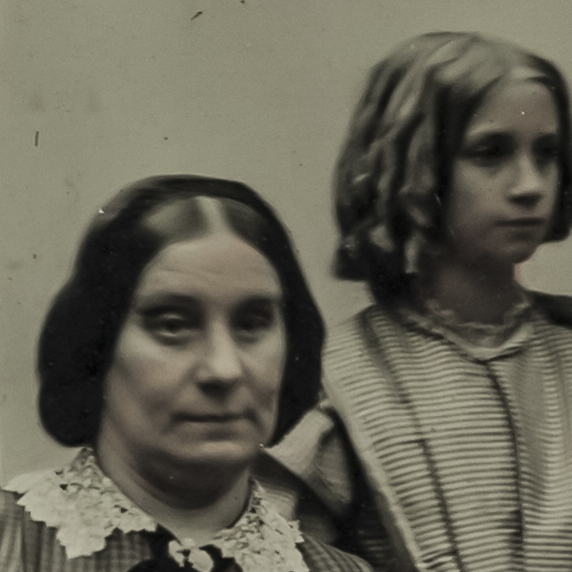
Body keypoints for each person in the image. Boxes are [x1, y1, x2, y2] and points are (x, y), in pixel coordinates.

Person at [261, 32, 572, 572]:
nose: (530, 185)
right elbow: (276, 551)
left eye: (546, 154)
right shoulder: (341, 374)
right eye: (490, 153)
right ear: (415, 167)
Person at [0, 175, 374, 572]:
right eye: (173, 325)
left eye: (252, 324)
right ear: (97, 347)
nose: (223, 369)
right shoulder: (12, 542)